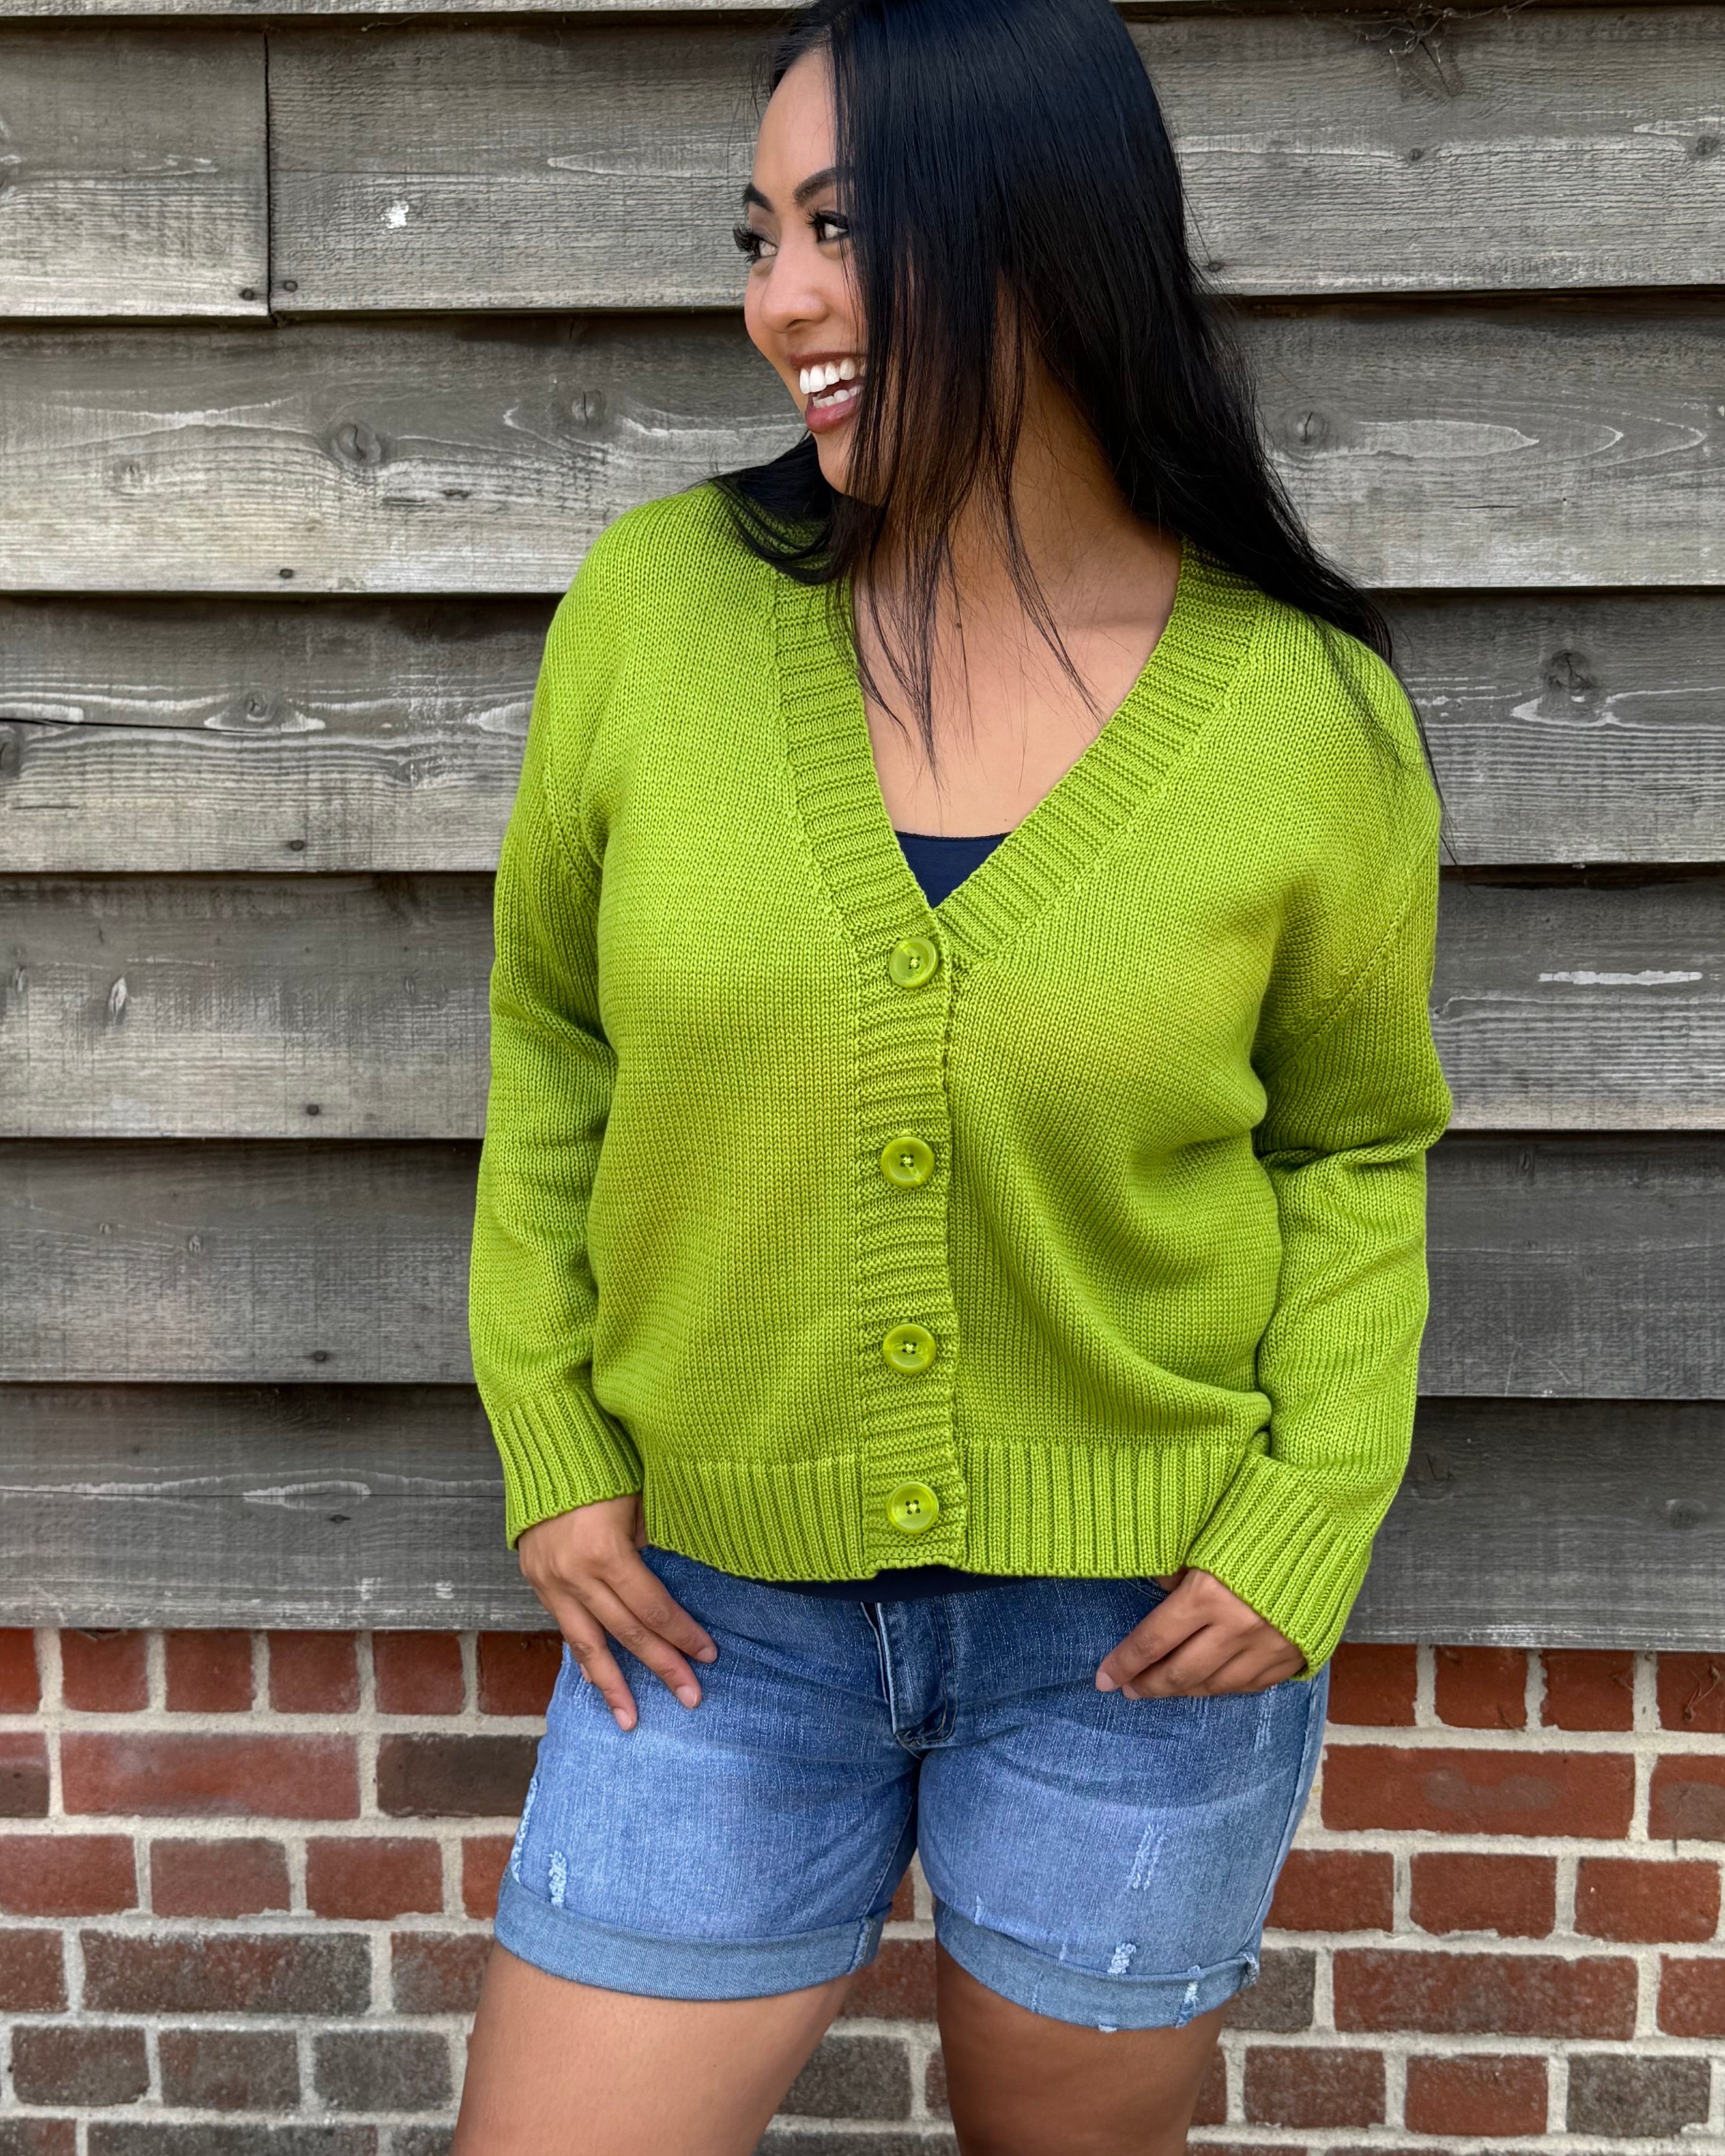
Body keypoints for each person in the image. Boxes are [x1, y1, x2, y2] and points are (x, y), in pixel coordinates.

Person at [453, 0, 1452, 2146]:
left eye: (838, 227)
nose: (775, 302)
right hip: (712, 1626)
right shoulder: (659, 610)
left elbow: (1356, 1144)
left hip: (1138, 1638)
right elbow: (554, 1038)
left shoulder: (1305, 716)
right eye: (757, 237)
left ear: (1042, 236)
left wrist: (1308, 1512)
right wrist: (547, 1418)